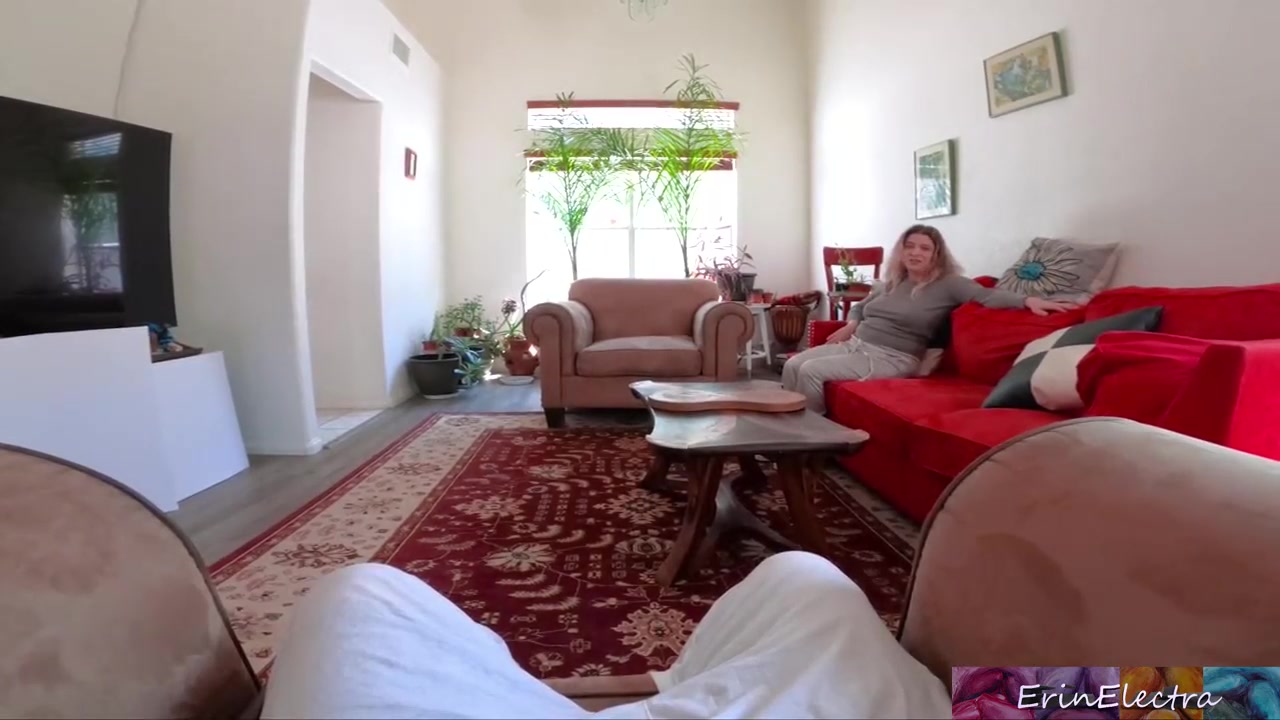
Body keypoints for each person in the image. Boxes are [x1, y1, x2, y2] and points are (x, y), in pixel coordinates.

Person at [260, 552, 951, 719]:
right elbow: (1016, 702)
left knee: (357, 592)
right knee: (805, 576)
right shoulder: (998, 698)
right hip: (932, 698)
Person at [782, 225, 1076, 413]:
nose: (915, 253)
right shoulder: (894, 280)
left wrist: (1028, 300)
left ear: (936, 254)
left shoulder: (949, 283)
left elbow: (987, 296)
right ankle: (788, 431)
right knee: (794, 364)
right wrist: (852, 324)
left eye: (924, 248)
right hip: (855, 345)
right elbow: (861, 307)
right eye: (909, 246)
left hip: (892, 357)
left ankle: (813, 441)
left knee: (811, 371)